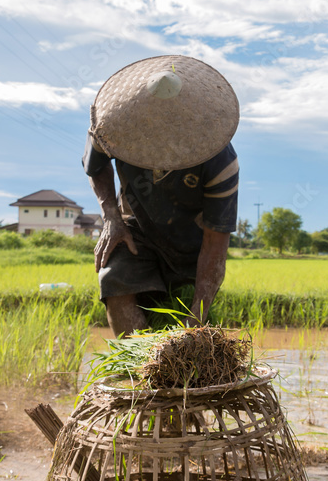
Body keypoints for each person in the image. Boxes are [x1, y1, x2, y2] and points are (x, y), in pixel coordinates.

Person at [83, 55, 240, 337]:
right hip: (136, 229)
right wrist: (110, 216)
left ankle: (178, 362)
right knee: (114, 278)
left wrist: (196, 321)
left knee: (193, 314)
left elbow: (215, 244)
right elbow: (96, 166)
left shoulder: (220, 163)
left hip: (191, 242)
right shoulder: (111, 126)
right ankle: (141, 367)